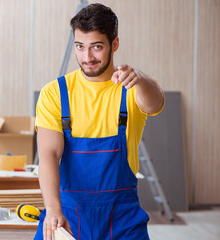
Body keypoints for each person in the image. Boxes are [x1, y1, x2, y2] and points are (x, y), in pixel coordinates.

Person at [34, 3, 164, 240]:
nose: (87, 57)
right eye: (80, 47)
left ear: (114, 44)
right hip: (68, 214)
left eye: (96, 47)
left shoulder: (132, 89)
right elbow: (48, 155)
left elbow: (155, 102)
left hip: (122, 218)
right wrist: (53, 209)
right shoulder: (55, 92)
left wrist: (140, 78)